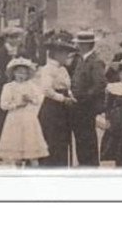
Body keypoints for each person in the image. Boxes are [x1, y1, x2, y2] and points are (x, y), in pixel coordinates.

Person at [0, 57, 48, 166]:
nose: (21, 76)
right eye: (18, 72)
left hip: (29, 119)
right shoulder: (8, 87)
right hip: (14, 119)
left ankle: (34, 174)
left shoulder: (31, 86)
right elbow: (3, 105)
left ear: (28, 74)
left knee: (32, 150)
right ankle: (18, 172)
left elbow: (39, 99)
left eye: (24, 73)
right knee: (17, 152)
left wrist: (31, 99)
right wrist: (17, 104)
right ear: (13, 73)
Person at [36, 32, 78, 166]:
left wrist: (70, 96)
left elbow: (67, 86)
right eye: (65, 53)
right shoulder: (48, 69)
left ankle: (61, 167)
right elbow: (46, 90)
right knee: (52, 140)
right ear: (56, 53)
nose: (67, 56)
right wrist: (63, 99)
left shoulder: (63, 69)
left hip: (63, 110)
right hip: (52, 109)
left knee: (62, 141)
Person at [68, 30, 107, 166]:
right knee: (80, 135)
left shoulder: (96, 61)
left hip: (86, 106)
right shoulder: (81, 59)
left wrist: (84, 97)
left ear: (86, 45)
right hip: (78, 105)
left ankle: (90, 164)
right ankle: (84, 162)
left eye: (79, 44)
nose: (77, 46)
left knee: (87, 136)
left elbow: (100, 84)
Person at [0, 27, 24, 157]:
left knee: (19, 119)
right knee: (1, 120)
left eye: (17, 37)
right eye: (13, 37)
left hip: (20, 91)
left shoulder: (21, 52)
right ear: (7, 38)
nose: (16, 40)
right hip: (4, 92)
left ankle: (16, 148)